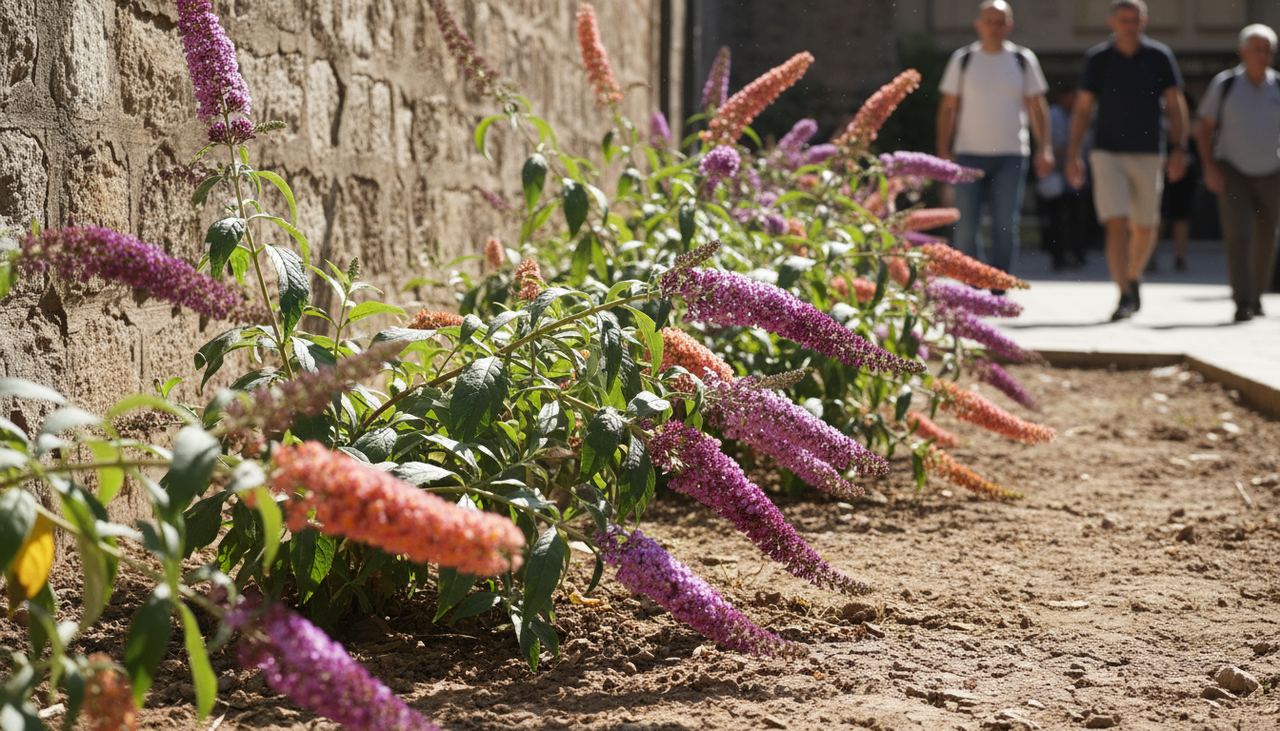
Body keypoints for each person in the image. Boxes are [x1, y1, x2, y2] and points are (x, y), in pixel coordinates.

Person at [1066, 0, 1189, 321]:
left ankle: (1133, 277)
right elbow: (1082, 109)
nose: (1130, 25)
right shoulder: (1098, 59)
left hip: (1150, 152)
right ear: (1113, 22)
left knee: (1145, 227)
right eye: (1124, 20)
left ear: (1144, 21)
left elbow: (1176, 106)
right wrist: (1073, 155)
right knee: (1116, 222)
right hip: (1106, 153)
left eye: (1135, 20)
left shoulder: (1160, 57)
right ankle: (1123, 293)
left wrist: (1179, 148)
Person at [936, 0, 1053, 286]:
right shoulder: (963, 59)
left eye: (1000, 22)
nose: (994, 28)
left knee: (1005, 224)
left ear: (1009, 26)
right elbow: (948, 108)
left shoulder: (1023, 60)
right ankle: (973, 283)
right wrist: (943, 153)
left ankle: (1000, 283)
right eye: (989, 21)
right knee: (965, 226)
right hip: (968, 155)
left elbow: (1037, 107)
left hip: (1011, 154)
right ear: (978, 25)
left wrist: (1045, 148)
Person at [1195, 24, 1280, 322]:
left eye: (1268, 49)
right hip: (1232, 169)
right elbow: (1204, 128)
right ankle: (1242, 300)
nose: (1263, 55)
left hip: (1273, 171)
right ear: (1242, 52)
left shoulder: (1278, 86)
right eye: (1257, 48)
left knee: (1268, 237)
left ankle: (1257, 296)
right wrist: (1209, 166)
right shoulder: (1225, 84)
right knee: (1239, 234)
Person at [1037, 83, 1088, 270]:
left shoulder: (1081, 115)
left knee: (1077, 218)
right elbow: (1049, 147)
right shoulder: (1052, 115)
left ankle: (1078, 254)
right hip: (1055, 177)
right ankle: (1058, 258)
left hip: (1075, 178)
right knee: (1056, 220)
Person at [1153, 91, 1199, 274]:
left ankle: (1179, 256)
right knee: (1158, 217)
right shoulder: (1162, 125)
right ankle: (1151, 256)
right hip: (1161, 174)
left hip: (1186, 177)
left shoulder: (1195, 127)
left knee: (1181, 217)